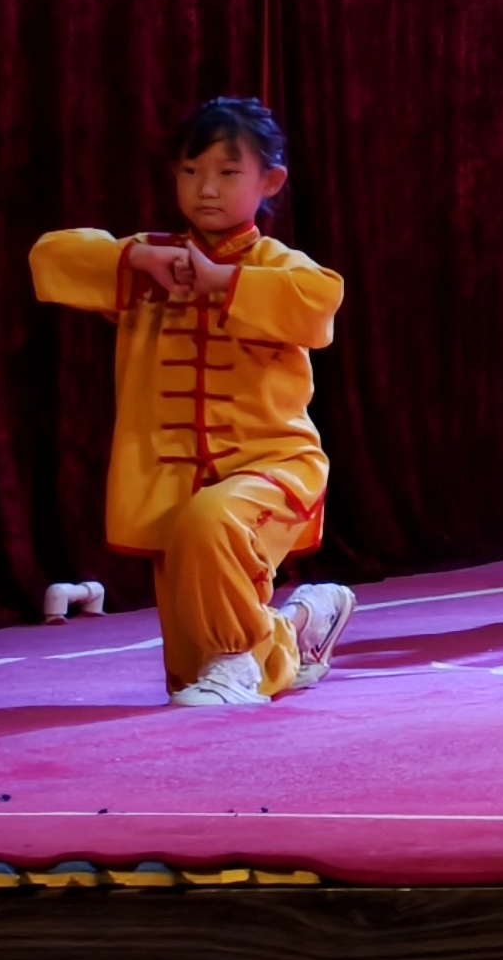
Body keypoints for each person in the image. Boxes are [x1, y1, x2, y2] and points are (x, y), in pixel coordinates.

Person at [27, 98, 355, 707]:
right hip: (174, 489)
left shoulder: (277, 266)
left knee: (212, 524)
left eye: (228, 173)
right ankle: (300, 625)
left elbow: (318, 301)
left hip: (274, 470)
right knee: (187, 672)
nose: (206, 189)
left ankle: (239, 660)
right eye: (190, 171)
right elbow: (49, 257)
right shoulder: (152, 262)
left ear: (270, 182)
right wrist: (134, 258)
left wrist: (221, 281)